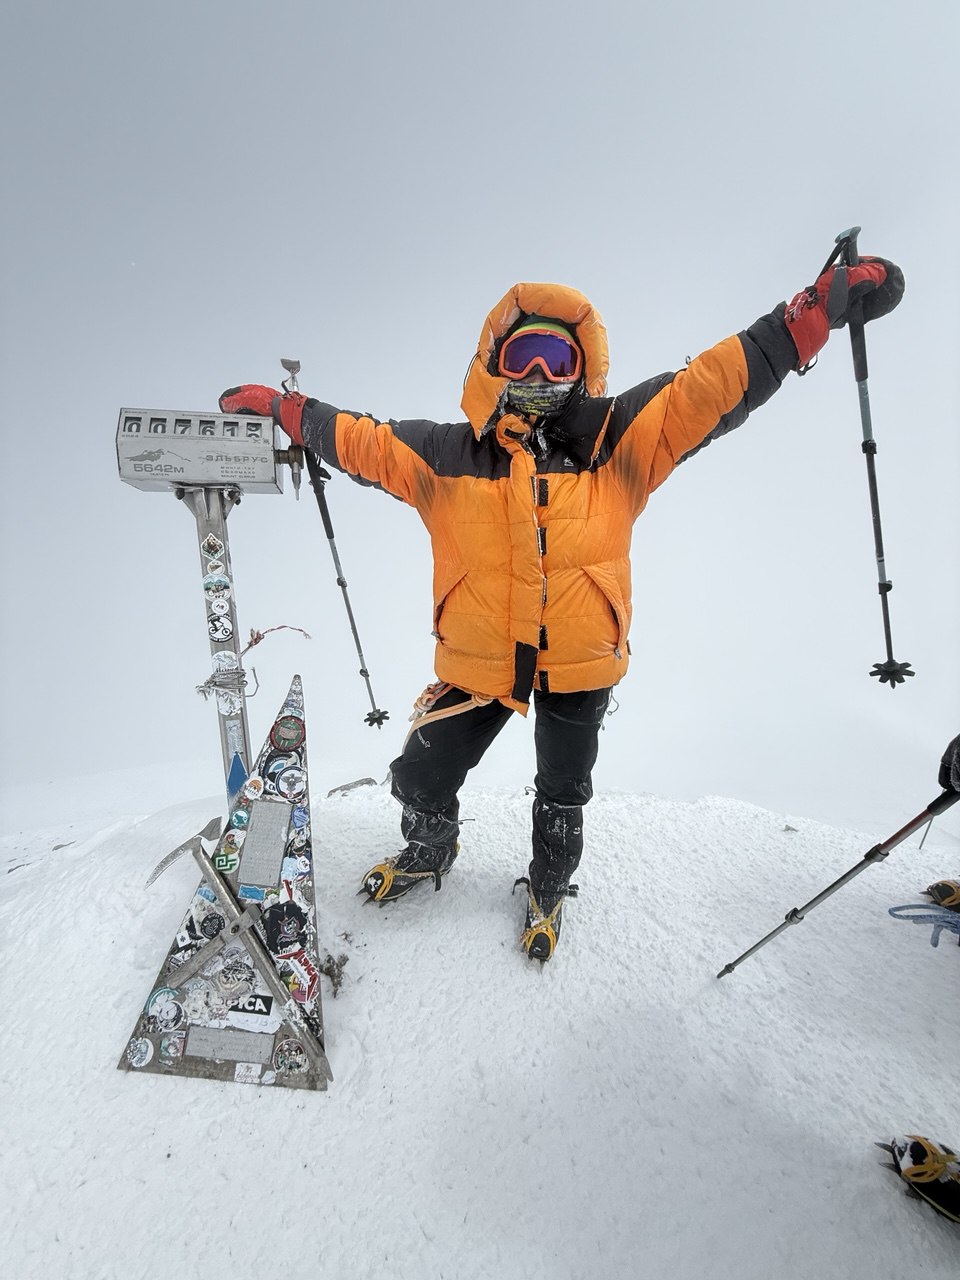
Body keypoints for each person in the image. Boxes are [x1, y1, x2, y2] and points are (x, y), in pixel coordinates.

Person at [220, 256, 903, 961]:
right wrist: (288, 410)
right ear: (495, 363)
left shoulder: (618, 440)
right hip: (481, 660)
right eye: (526, 355)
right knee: (419, 774)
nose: (542, 376)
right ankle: (429, 850)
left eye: (558, 358)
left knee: (563, 791)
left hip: (581, 662)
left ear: (583, 369)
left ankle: (549, 884)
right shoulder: (446, 454)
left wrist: (807, 320)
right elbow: (362, 442)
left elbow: (709, 388)